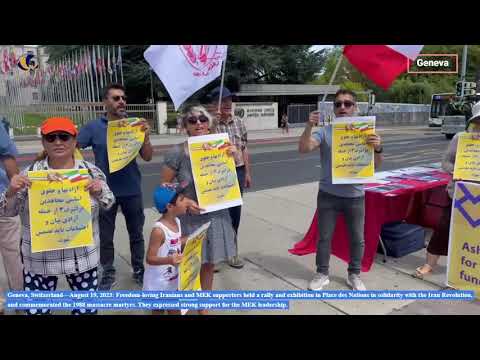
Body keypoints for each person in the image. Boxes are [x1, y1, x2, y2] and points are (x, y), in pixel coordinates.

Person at [0, 117, 115, 315]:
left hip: (82, 259)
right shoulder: (30, 176)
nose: (58, 142)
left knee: (85, 311)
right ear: (43, 142)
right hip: (40, 261)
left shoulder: (90, 172)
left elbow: (109, 202)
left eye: (64, 136)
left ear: (74, 140)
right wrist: (10, 192)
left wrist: (98, 191)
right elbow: (7, 211)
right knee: (37, 312)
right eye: (51, 137)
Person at [298, 89, 384, 291]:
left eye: (347, 103)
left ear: (355, 107)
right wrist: (309, 126)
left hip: (355, 196)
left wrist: (378, 148)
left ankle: (354, 274)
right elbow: (304, 148)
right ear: (334, 108)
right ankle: (322, 273)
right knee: (324, 237)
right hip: (328, 195)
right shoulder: (325, 131)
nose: (342, 107)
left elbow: (376, 165)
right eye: (338, 104)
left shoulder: (367, 131)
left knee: (357, 238)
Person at [160, 105, 237, 312]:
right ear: (185, 125)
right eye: (192, 121)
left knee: (209, 262)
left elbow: (230, 179)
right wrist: (184, 201)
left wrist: (233, 156)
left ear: (209, 123)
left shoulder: (221, 145)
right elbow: (164, 190)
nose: (199, 124)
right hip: (188, 218)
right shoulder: (177, 152)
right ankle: (182, 303)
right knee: (187, 264)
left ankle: (204, 305)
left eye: (203, 119)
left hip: (215, 214)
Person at [77, 83, 153, 290]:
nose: (121, 101)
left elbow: (147, 157)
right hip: (104, 192)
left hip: (132, 189)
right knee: (105, 236)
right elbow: (73, 148)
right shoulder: (93, 127)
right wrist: (84, 173)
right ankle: (108, 272)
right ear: (105, 102)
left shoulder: (133, 125)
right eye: (116, 98)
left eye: (123, 98)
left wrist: (145, 136)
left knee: (136, 234)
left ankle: (139, 269)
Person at [415, 101, 480, 278]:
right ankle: (429, 264)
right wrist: (459, 169)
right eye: (479, 120)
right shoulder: (461, 137)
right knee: (443, 229)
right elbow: (445, 163)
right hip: (459, 195)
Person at [207, 86, 252, 269]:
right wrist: (211, 125)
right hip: (215, 175)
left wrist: (247, 172)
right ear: (213, 104)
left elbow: (244, 148)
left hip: (237, 172)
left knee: (234, 214)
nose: (227, 103)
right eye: (222, 100)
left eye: (229, 100)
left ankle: (232, 252)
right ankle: (214, 255)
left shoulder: (239, 122)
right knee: (214, 214)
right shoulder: (208, 123)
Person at [143, 185, 191, 315]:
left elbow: (174, 243)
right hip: (158, 283)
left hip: (173, 279)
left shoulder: (177, 222)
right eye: (181, 200)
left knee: (176, 310)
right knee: (158, 311)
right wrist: (169, 260)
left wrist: (191, 239)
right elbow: (150, 258)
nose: (186, 201)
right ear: (170, 207)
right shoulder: (159, 231)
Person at [0, 123, 23, 315]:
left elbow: (9, 161)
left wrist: (14, 197)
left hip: (3, 198)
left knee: (13, 255)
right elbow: (8, 159)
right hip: (4, 197)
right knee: (12, 255)